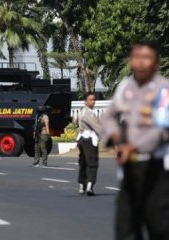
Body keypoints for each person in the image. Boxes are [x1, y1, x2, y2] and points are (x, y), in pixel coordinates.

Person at [102, 41, 169, 239]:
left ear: (156, 63)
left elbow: (161, 129)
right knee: (125, 228)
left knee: (159, 228)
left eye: (146, 58)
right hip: (130, 169)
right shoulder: (124, 87)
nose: (140, 62)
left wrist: (134, 146)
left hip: (156, 169)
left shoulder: (164, 90)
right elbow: (108, 116)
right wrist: (115, 135)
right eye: (136, 57)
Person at [77, 93, 102, 196]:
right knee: (92, 163)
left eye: (94, 100)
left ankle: (82, 185)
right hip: (89, 140)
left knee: (83, 162)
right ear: (85, 101)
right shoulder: (88, 113)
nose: (93, 102)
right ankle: (89, 186)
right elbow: (96, 127)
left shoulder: (82, 112)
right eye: (91, 100)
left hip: (82, 139)